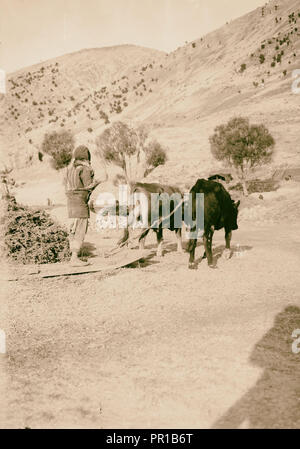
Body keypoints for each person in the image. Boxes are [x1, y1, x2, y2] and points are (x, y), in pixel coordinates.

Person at [65, 145, 102, 267]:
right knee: (80, 230)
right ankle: (74, 258)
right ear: (87, 157)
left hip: (70, 203)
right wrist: (97, 182)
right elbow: (88, 186)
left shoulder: (71, 169)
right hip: (80, 204)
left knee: (73, 229)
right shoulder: (85, 169)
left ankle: (72, 256)